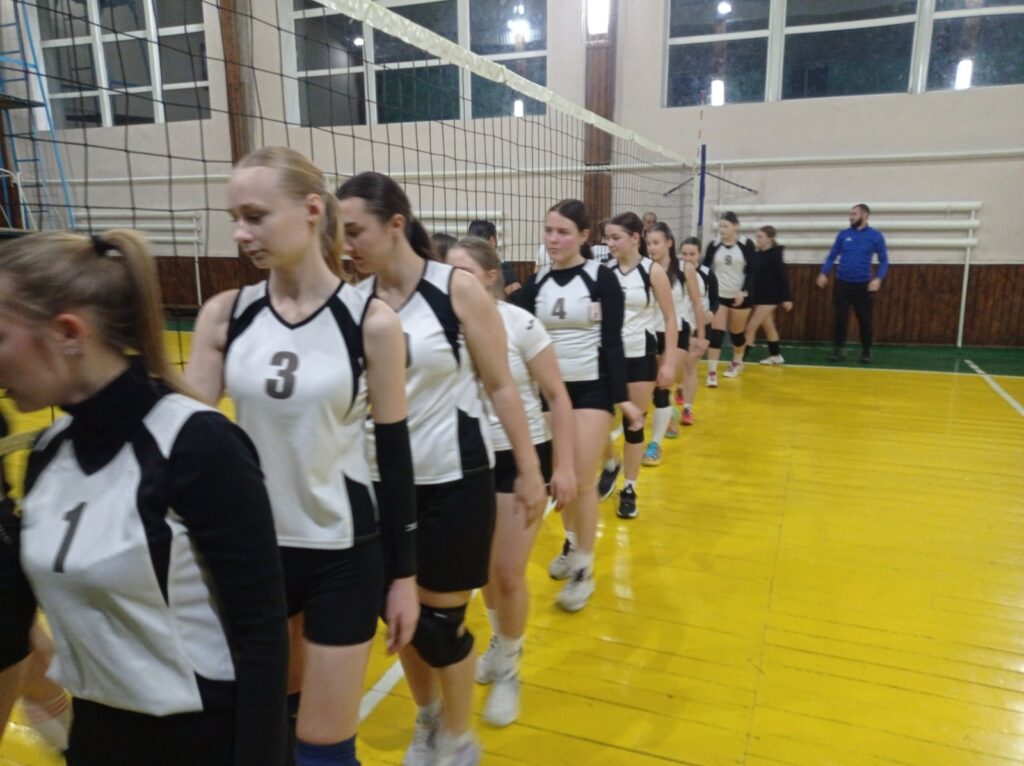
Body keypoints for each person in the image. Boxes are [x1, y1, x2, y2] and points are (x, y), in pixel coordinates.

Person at [0, 229, 289, 765]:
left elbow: (263, 635)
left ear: (68, 332)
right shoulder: (47, 453)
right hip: (97, 737)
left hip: (202, 744)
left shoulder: (197, 444)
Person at [186, 146, 418, 766]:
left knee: (323, 748)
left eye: (256, 216)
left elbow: (394, 453)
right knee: (265, 734)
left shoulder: (371, 322)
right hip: (251, 551)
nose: (241, 233)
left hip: (342, 551)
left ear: (313, 210)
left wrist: (404, 576)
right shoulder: (224, 316)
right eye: (235, 218)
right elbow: (181, 438)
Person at [337, 172, 545, 766]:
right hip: (378, 484)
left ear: (395, 224)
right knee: (398, 618)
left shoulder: (455, 289)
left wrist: (529, 468)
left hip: (453, 479)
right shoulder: (353, 301)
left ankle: (459, 735)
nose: (345, 246)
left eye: (354, 231)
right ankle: (428, 718)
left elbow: (501, 385)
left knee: (439, 623)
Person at [444, 237, 576, 728]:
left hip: (521, 457)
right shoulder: (442, 326)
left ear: (490, 276)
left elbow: (557, 396)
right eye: (448, 272)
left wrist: (563, 466)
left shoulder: (520, 323)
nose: (454, 281)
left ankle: (510, 666)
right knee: (480, 572)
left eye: (464, 271)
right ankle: (500, 641)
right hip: (465, 459)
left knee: (506, 572)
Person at [514, 200, 643, 611]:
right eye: (548, 230)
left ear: (585, 236)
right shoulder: (536, 283)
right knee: (560, 482)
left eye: (563, 232)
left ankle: (584, 569)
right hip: (548, 394)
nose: (553, 239)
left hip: (591, 391)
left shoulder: (601, 279)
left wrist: (622, 398)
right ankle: (573, 543)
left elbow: (613, 342)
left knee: (582, 479)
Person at [599, 213, 676, 516]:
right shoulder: (603, 270)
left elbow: (670, 319)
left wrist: (668, 362)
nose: (609, 243)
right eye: (607, 237)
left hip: (640, 356)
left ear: (635, 238)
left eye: (615, 237)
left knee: (634, 424)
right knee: (597, 420)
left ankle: (629, 487)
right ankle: (610, 463)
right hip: (607, 356)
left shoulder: (652, 272)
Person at [642, 223, 707, 464]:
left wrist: (701, 335)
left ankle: (655, 445)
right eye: (648, 243)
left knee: (663, 383)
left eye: (656, 242)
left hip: (678, 331)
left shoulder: (684, 269)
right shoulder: (645, 268)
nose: (652, 248)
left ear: (669, 243)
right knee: (653, 385)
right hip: (651, 332)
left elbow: (697, 302)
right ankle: (668, 412)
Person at [816, 203, 889, 363]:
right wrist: (823, 273)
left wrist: (878, 278)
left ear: (865, 215)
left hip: (863, 285)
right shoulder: (843, 235)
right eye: (850, 214)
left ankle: (866, 351)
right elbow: (832, 256)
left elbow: (884, 260)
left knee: (865, 320)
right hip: (842, 284)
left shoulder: (875, 236)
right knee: (840, 318)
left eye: (854, 214)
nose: (851, 217)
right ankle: (839, 350)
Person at [703, 211, 754, 383]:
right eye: (720, 226)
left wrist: (743, 291)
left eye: (726, 226)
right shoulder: (714, 245)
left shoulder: (746, 244)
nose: (722, 229)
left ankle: (737, 362)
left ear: (735, 226)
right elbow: (705, 268)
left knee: (737, 334)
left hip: (740, 296)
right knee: (716, 333)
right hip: (719, 295)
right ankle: (712, 372)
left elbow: (752, 271)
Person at [675, 237, 717, 426]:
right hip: (680, 325)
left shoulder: (708, 274)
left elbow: (715, 300)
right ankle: (679, 386)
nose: (688, 258)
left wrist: (711, 313)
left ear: (699, 254)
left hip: (701, 325)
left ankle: (687, 409)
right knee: (681, 365)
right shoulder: (674, 271)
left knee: (690, 365)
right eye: (684, 254)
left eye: (692, 254)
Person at [742, 225, 792, 365]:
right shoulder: (757, 255)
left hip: (770, 297)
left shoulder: (775, 255)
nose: (757, 239)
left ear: (769, 239)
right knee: (768, 326)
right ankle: (776, 355)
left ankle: (739, 360)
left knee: (751, 327)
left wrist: (787, 298)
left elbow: (782, 277)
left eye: (760, 237)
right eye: (756, 236)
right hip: (759, 296)